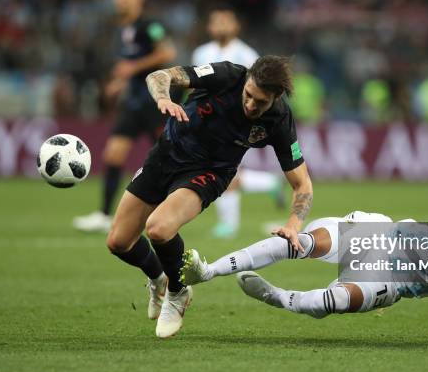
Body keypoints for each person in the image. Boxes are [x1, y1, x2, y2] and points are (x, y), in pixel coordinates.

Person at [105, 56, 313, 339]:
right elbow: (159, 76)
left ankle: (178, 293)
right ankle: (159, 278)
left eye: (260, 102)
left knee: (159, 228)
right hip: (165, 157)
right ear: (247, 80)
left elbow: (302, 184)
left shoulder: (279, 120)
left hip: (208, 173)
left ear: (276, 98)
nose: (251, 105)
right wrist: (164, 98)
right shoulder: (227, 75)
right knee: (118, 242)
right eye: (249, 95)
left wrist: (293, 225)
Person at [182, 211, 428, 344]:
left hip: (395, 280)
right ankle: (207, 270)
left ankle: (278, 297)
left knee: (333, 302)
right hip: (385, 234)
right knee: (304, 243)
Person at [73, 0, 177, 232]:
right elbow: (132, 66)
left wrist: (132, 68)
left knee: (168, 158)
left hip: (156, 101)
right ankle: (105, 214)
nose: (120, 0)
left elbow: (167, 54)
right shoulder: (122, 28)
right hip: (133, 103)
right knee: (113, 154)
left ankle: (170, 211)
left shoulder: (150, 25)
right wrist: (120, 81)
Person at [192, 7, 284, 238]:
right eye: (216, 21)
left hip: (237, 123)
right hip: (208, 123)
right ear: (209, 27)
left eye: (226, 21)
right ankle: (269, 183)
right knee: (222, 172)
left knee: (227, 172)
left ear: (236, 26)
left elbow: (259, 92)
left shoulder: (247, 55)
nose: (221, 25)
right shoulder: (200, 53)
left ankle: (229, 225)